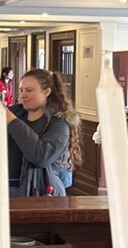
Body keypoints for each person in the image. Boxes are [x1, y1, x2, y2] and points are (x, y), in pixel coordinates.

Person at [6, 68, 83, 197]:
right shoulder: (16, 113)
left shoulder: (59, 122)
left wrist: (12, 122)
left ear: (46, 92)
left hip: (39, 191)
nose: (22, 95)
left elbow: (41, 157)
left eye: (29, 90)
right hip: (4, 187)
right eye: (21, 90)